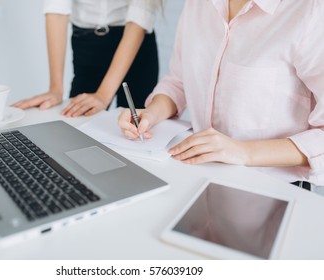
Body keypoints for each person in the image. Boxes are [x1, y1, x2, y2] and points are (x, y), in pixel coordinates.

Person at [118, 0, 324, 190]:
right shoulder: (197, 5)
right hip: (196, 176)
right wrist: (151, 114)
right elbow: (178, 82)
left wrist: (243, 152)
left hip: (270, 187)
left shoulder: (310, 12)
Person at [13, 0, 163, 117]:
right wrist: (55, 89)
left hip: (135, 44)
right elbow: (56, 10)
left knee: (134, 126)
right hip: (87, 42)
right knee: (76, 120)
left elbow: (139, 19)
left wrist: (103, 96)